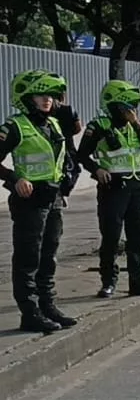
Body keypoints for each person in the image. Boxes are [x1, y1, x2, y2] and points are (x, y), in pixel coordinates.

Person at [0, 70, 78, 333]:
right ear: (26, 98)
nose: (47, 100)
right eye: (41, 95)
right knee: (28, 258)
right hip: (29, 201)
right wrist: (14, 179)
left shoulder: (53, 124)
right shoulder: (15, 126)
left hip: (53, 198)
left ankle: (47, 305)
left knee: (49, 256)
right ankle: (30, 312)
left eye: (51, 96)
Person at [77, 79, 140, 298]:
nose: (132, 110)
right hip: (113, 187)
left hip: (137, 187)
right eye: (127, 106)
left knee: (137, 236)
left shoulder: (136, 125)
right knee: (111, 236)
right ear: (115, 106)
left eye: (134, 106)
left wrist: (135, 123)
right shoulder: (99, 125)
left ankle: (138, 280)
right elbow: (82, 154)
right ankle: (108, 282)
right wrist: (96, 171)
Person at [51, 79, 83, 200]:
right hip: (67, 145)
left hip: (53, 145)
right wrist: (68, 134)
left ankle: (59, 192)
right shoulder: (68, 110)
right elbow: (78, 128)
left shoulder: (44, 110)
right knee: (73, 169)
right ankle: (62, 192)